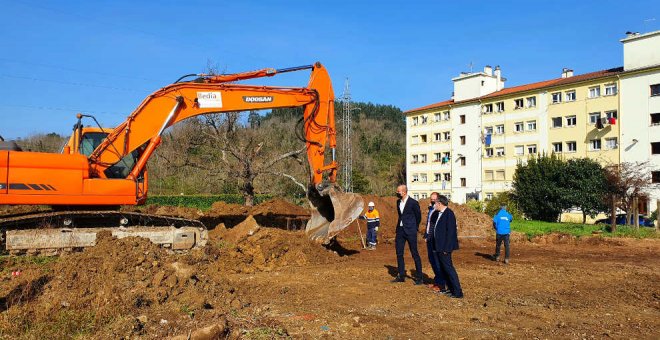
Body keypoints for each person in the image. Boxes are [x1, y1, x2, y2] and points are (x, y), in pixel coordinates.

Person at [430, 195, 463, 298]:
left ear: (440, 203)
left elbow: (451, 233)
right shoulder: (439, 213)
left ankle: (458, 292)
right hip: (439, 246)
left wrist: (447, 248)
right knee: (443, 269)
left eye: (435, 203)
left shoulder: (449, 214)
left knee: (449, 269)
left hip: (445, 248)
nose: (434, 205)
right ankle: (451, 289)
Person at [391, 185, 423, 285]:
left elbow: (418, 217)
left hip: (410, 231)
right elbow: (401, 215)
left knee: (415, 253)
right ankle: (401, 275)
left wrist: (414, 227)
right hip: (400, 230)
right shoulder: (398, 202)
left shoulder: (413, 203)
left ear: (404, 192)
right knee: (399, 253)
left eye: (398, 191)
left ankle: (419, 277)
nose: (397, 193)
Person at [424, 192, 446, 293]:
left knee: (437, 262)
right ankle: (437, 281)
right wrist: (426, 235)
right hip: (429, 238)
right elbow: (429, 223)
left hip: (434, 239)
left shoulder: (438, 211)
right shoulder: (432, 209)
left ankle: (441, 284)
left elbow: (435, 226)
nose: (432, 201)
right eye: (431, 199)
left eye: (434, 199)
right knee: (432, 261)